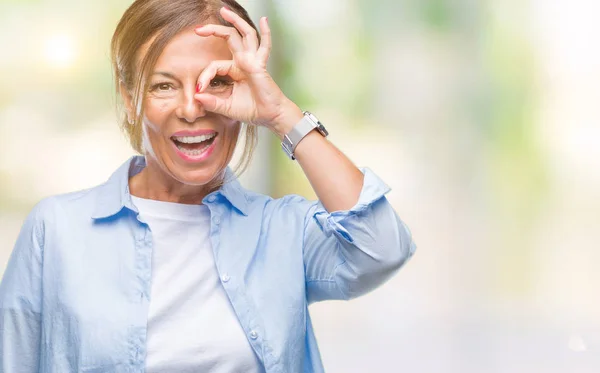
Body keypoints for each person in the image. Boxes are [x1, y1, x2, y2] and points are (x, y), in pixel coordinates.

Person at [0, 0, 416, 372]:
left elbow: (382, 249)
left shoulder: (282, 231)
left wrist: (282, 115)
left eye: (215, 82)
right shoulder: (55, 231)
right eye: (163, 85)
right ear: (130, 99)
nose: (190, 108)